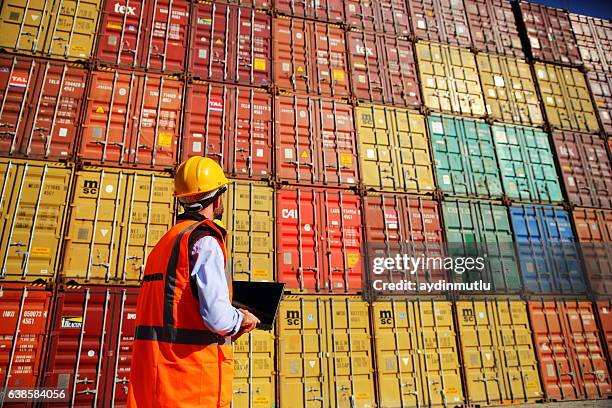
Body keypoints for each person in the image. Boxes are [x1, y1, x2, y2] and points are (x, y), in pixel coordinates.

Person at [127, 156, 260, 408]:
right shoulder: (205, 241)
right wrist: (242, 318)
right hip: (190, 384)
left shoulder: (165, 243)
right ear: (218, 197)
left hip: (153, 382)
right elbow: (217, 318)